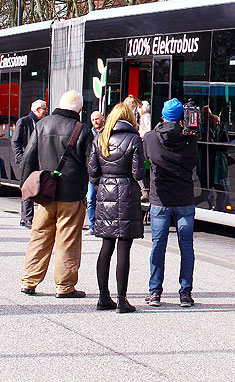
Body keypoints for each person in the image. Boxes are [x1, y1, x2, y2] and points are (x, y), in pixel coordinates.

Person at [19, 90, 93, 298]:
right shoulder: (82, 129)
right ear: (79, 109)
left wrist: (26, 186)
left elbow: (28, 159)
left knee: (39, 237)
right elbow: (90, 164)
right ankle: (65, 286)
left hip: (45, 193)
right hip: (71, 194)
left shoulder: (42, 124)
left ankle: (29, 281)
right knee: (67, 240)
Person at [88, 101, 146, 312]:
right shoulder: (133, 139)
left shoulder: (100, 138)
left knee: (106, 245)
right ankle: (122, 300)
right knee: (124, 248)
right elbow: (138, 173)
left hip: (105, 193)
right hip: (127, 193)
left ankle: (103, 297)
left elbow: (92, 172)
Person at [143, 98, 198, 307]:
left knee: (158, 245)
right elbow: (193, 163)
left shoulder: (150, 138)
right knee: (187, 247)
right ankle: (185, 294)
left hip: (160, 199)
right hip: (184, 198)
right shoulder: (190, 139)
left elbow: (147, 159)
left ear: (163, 115)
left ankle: (155, 292)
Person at [13, 99, 47, 228]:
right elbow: (16, 142)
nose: (46, 111)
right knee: (27, 189)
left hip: (40, 161)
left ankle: (38, 218)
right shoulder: (24, 121)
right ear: (36, 110)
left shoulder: (44, 122)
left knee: (40, 189)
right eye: (44, 109)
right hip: (26, 162)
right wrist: (21, 158)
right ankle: (27, 218)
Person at [87, 110, 105, 234]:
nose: (95, 122)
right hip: (91, 173)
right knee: (90, 199)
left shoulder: (107, 133)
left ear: (102, 118)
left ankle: (101, 225)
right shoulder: (88, 134)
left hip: (104, 171)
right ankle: (93, 224)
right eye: (93, 120)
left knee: (103, 200)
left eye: (97, 119)